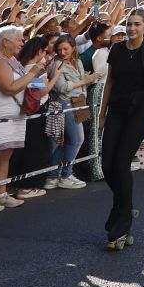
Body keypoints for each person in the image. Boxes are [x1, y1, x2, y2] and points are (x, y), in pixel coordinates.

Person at [97, 13, 144, 250]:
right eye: (129, 24)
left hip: (141, 110)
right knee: (106, 164)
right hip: (117, 108)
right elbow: (109, 82)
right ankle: (123, 204)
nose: (132, 28)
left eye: (137, 24)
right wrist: (102, 112)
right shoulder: (116, 50)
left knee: (121, 162)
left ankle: (123, 218)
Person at [0, 26, 46, 214]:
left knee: (5, 156)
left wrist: (40, 76)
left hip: (15, 117)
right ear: (5, 41)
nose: (22, 43)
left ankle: (1, 193)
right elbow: (9, 88)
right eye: (19, 39)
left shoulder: (13, 61)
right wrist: (32, 73)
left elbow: (38, 89)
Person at [45, 35, 92, 190]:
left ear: (73, 47)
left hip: (79, 102)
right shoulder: (56, 64)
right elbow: (61, 87)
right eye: (59, 49)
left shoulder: (77, 62)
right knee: (76, 140)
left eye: (66, 48)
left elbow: (81, 83)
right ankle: (66, 174)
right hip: (64, 104)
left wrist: (84, 88)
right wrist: (84, 81)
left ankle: (54, 176)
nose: (63, 52)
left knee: (65, 142)